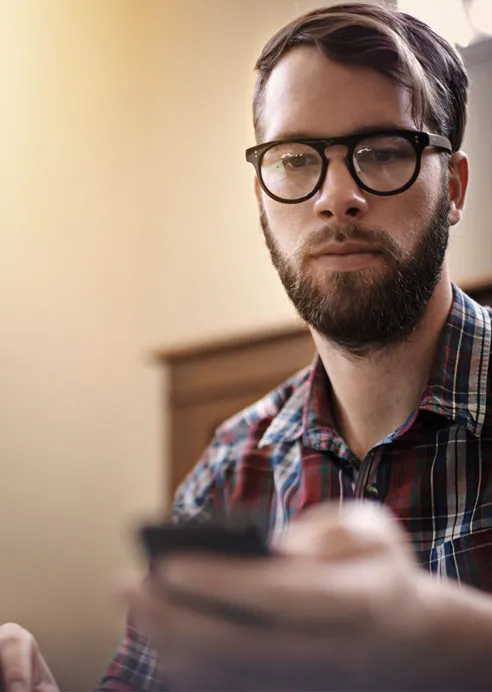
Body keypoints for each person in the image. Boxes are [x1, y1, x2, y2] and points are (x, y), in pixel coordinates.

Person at [2, 1, 492, 690]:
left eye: (383, 152)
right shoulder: (227, 473)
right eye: (295, 159)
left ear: (455, 188)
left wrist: (454, 645)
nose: (337, 197)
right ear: (262, 196)